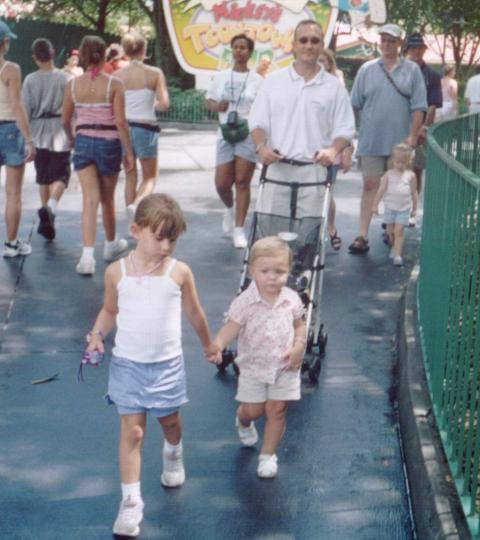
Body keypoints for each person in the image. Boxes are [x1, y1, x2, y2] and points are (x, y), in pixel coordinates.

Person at [84, 193, 218, 537]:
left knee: (170, 421)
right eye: (159, 237)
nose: (166, 246)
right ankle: (130, 502)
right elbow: (110, 310)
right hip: (128, 365)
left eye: (172, 239)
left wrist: (208, 345)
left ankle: (174, 450)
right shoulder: (117, 273)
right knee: (134, 432)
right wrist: (98, 334)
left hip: (166, 366)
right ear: (136, 230)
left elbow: (195, 313)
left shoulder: (179, 272)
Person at [212, 236, 306, 478]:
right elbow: (232, 327)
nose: (272, 276)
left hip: (285, 366)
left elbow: (299, 324)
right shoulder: (245, 302)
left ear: (288, 271)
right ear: (253, 271)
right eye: (265, 271)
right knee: (254, 410)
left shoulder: (291, 299)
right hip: (253, 368)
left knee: (277, 410)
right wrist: (219, 344)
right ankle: (243, 420)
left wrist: (299, 346)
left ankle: (268, 455)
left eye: (279, 271)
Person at [348, 23, 427, 254]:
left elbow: (419, 107)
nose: (386, 45)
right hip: (371, 139)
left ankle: (393, 232)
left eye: (391, 41)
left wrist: (412, 136)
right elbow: (355, 103)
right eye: (383, 40)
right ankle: (362, 235)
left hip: (399, 144)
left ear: (399, 43)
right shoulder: (367, 69)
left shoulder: (412, 70)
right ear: (378, 42)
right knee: (369, 185)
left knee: (397, 189)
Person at [61, 35, 134, 275]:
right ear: (104, 56)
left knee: (89, 199)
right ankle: (111, 245)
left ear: (82, 55)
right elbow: (121, 122)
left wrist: (72, 139)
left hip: (83, 142)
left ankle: (86, 257)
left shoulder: (72, 85)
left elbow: (65, 120)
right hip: (108, 143)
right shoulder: (114, 85)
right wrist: (129, 152)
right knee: (107, 199)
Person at [206, 33, 263, 249]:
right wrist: (216, 106)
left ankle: (239, 230)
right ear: (232, 50)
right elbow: (209, 99)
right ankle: (229, 209)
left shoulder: (257, 80)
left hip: (247, 133)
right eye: (236, 47)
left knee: (242, 181)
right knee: (221, 183)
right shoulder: (221, 76)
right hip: (225, 133)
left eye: (244, 47)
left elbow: (263, 107)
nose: (239, 51)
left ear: (250, 52)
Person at [116, 32, 169, 221]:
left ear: (126, 51)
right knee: (150, 177)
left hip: (123, 128)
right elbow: (164, 104)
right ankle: (136, 205)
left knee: (130, 175)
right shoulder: (154, 73)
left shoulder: (117, 75)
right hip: (146, 128)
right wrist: (151, 103)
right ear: (144, 49)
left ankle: (133, 222)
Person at [22, 38, 71, 241]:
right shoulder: (65, 78)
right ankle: (50, 209)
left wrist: (27, 139)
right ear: (52, 54)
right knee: (62, 175)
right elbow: (71, 109)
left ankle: (46, 215)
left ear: (35, 58)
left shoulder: (30, 80)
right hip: (59, 130)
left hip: (38, 131)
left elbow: (25, 110)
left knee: (43, 177)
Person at [0, 21, 35, 258]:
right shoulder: (10, 69)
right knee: (13, 193)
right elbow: (15, 104)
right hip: (10, 129)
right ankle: (11, 244)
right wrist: (29, 139)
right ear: (5, 43)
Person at [318, 48, 354, 250]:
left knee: (327, 193)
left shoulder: (337, 89)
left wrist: (347, 150)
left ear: (330, 64)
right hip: (308, 151)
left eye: (324, 61)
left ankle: (330, 227)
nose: (321, 64)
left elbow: (346, 124)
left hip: (331, 148)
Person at [404, 32, 442, 194]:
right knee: (396, 167)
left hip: (420, 127)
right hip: (400, 124)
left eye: (420, 48)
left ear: (424, 50)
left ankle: (412, 209)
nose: (417, 51)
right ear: (408, 49)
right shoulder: (400, 70)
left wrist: (424, 127)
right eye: (414, 48)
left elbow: (433, 104)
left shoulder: (431, 75)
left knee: (416, 169)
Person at [372, 143, 417, 267]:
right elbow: (381, 190)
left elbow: (414, 193)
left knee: (399, 231)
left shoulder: (411, 176)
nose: (400, 165)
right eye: (397, 162)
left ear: (408, 162)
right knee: (390, 232)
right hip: (390, 208)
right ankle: (393, 245)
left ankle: (398, 255)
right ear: (393, 161)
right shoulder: (388, 174)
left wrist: (414, 209)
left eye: (403, 162)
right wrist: (375, 205)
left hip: (404, 208)